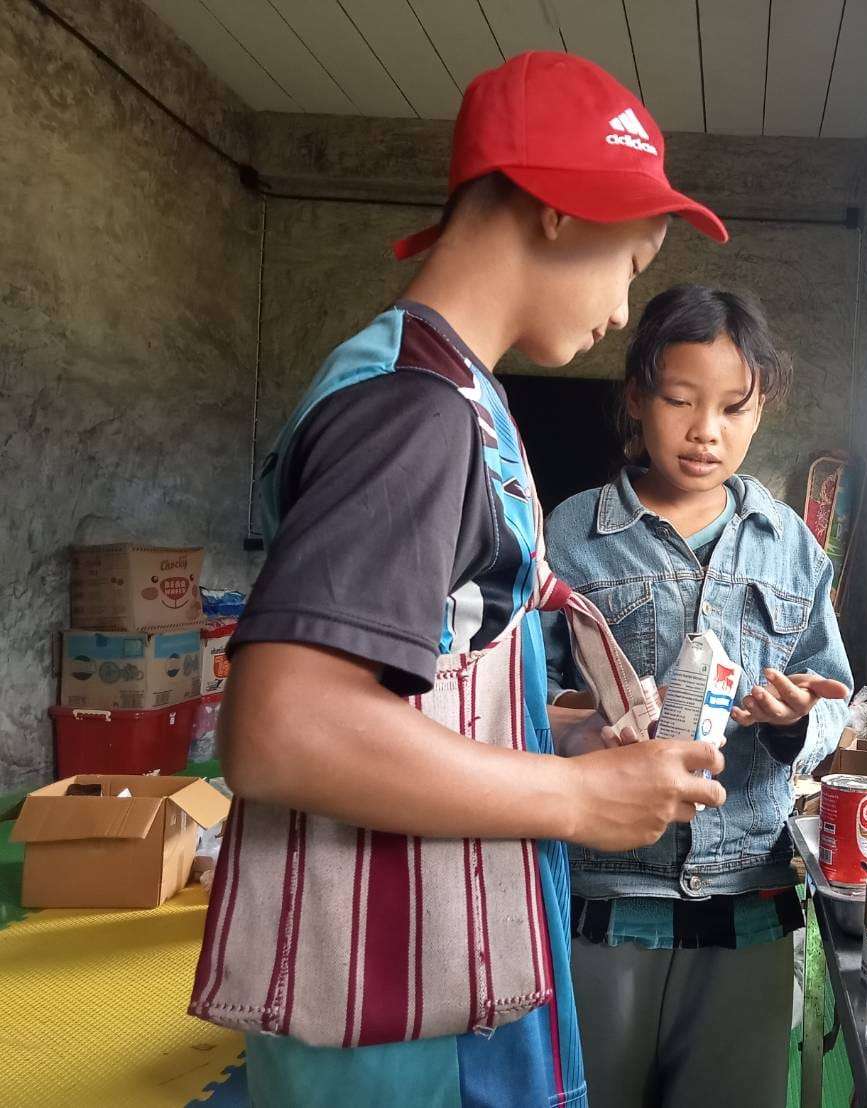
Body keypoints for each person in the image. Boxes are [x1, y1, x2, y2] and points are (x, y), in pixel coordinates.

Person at [190, 54, 732, 1108]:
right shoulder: (416, 411)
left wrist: (558, 733)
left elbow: (410, 673)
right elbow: (282, 726)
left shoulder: (438, 386)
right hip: (405, 1013)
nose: (624, 311)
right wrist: (573, 796)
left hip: (428, 982)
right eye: (634, 261)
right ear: (560, 210)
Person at [543, 284, 853, 1108]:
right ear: (638, 398)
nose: (705, 431)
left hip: (747, 894)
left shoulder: (789, 544)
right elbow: (519, 699)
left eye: (732, 408)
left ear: (761, 411)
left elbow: (834, 693)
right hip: (603, 893)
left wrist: (796, 722)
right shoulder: (570, 534)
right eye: (679, 400)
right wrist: (584, 729)